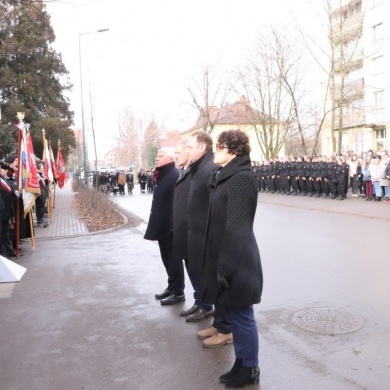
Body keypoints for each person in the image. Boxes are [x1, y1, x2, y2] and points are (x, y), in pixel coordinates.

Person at [202, 129, 263, 387]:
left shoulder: (241, 179)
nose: (215, 150)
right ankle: (241, 362)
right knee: (237, 315)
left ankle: (249, 368)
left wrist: (224, 268)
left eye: (220, 146)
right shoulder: (227, 176)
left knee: (242, 315)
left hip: (238, 262)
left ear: (234, 151)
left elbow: (236, 228)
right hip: (230, 259)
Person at [181, 131, 217, 323]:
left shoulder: (211, 168)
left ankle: (206, 306)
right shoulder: (198, 167)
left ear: (202, 148)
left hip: (204, 231)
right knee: (195, 268)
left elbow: (215, 204)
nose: (187, 151)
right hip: (194, 229)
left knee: (204, 271)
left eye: (190, 147)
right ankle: (201, 302)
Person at [144, 148, 185, 305]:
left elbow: (177, 202)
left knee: (174, 260)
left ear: (169, 158)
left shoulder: (174, 175)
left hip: (170, 226)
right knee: (166, 258)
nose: (157, 158)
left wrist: (174, 225)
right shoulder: (163, 174)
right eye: (157, 156)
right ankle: (171, 286)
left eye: (160, 156)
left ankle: (178, 291)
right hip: (162, 224)